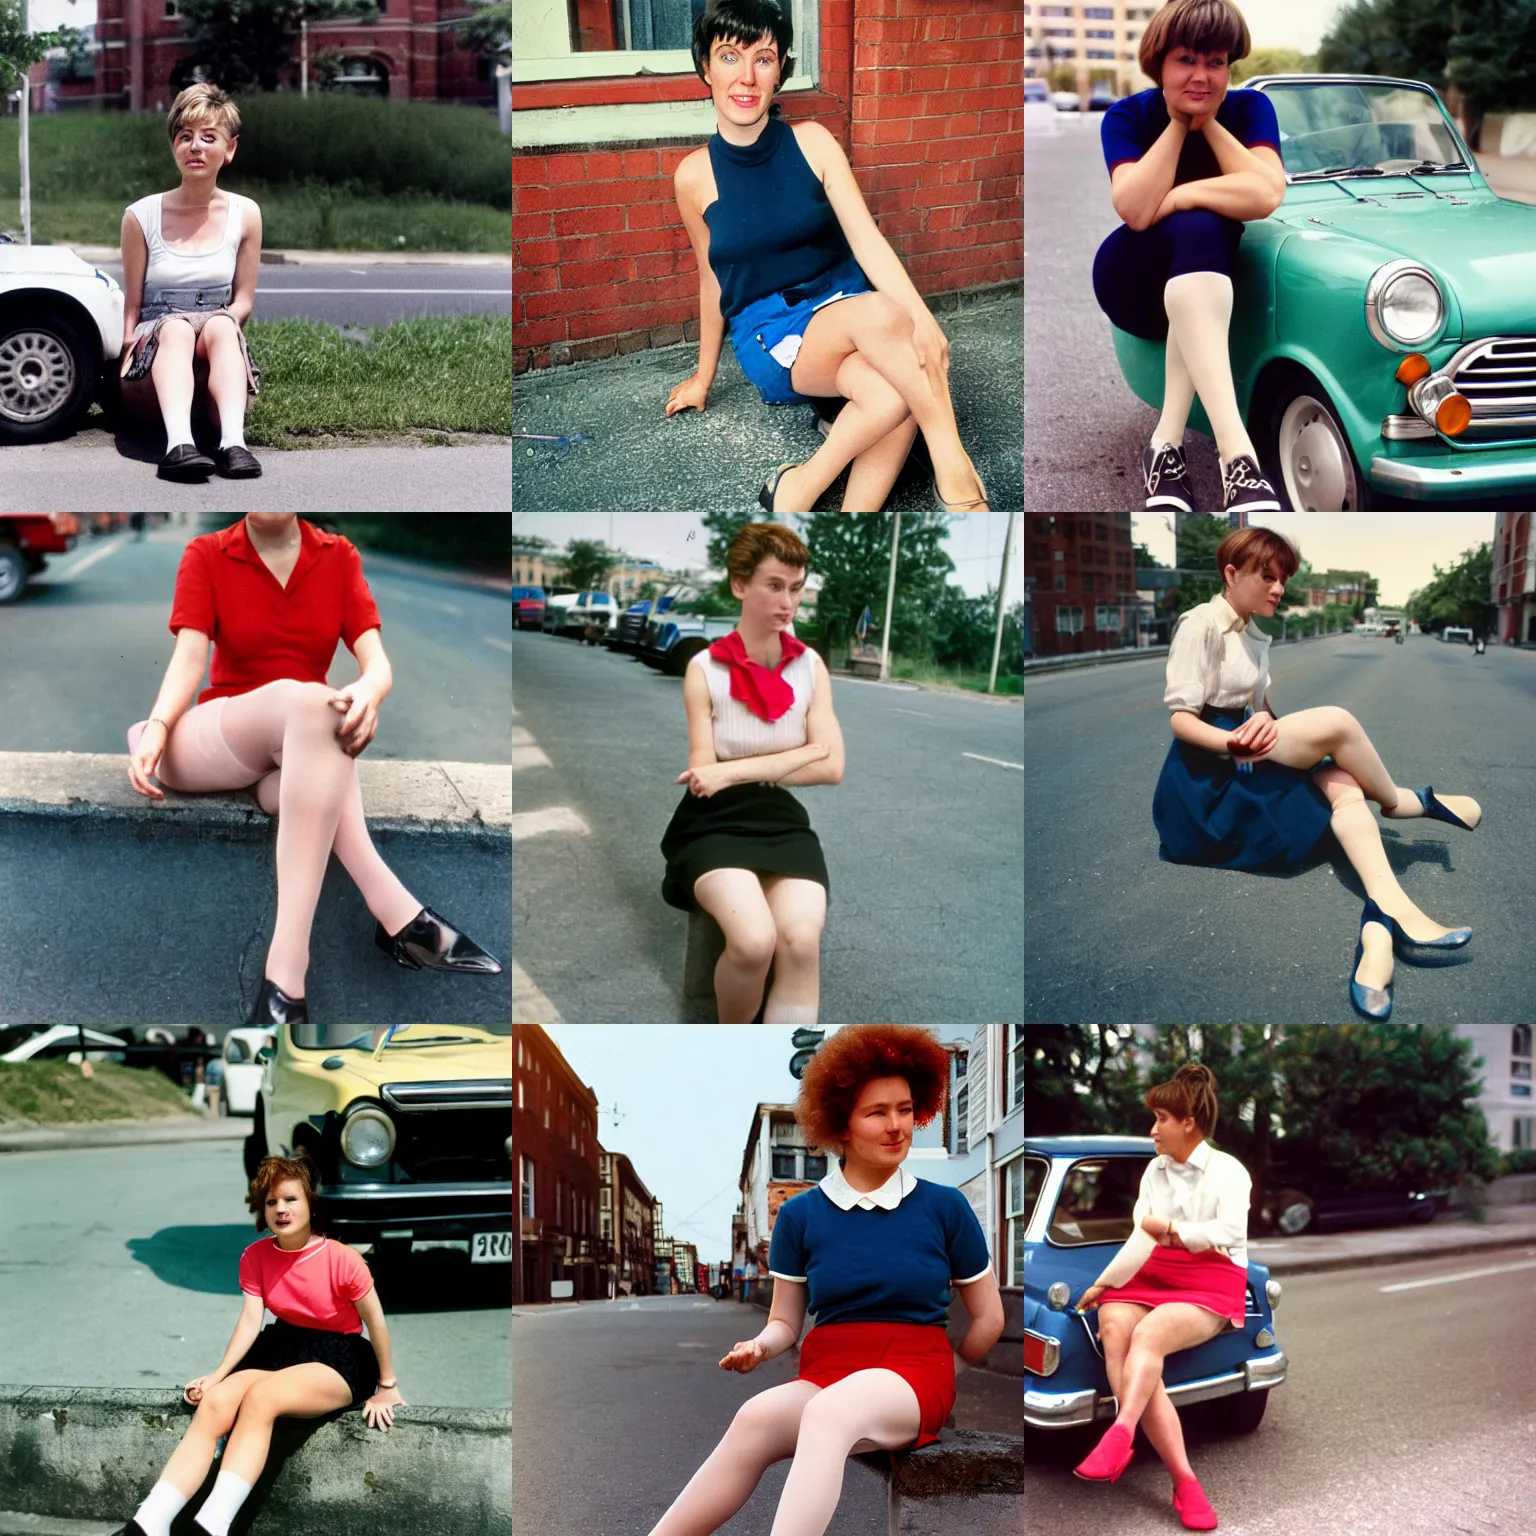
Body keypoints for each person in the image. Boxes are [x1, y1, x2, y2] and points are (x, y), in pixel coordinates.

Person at [125, 514, 501, 1027]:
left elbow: (377, 664)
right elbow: (190, 658)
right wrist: (159, 724)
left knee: (324, 718)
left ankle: (360, 948)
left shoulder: (337, 555)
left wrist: (368, 692)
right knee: (312, 702)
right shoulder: (208, 552)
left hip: (293, 754)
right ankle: (305, 961)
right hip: (215, 737)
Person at [647, 1025, 1005, 1536]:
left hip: (912, 1372)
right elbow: (785, 1322)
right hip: (827, 1372)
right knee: (754, 1418)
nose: (897, 1126)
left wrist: (953, 1367)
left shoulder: (945, 1207)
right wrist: (759, 1346)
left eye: (904, 1109)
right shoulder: (799, 1215)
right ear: (840, 1125)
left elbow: (990, 1318)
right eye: (877, 1112)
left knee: (830, 1414)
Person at [664, 0, 989, 513]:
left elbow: (866, 240)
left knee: (895, 395)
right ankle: (955, 471)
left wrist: (926, 327)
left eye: (764, 58)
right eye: (730, 57)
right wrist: (703, 378)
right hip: (775, 334)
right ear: (705, 66)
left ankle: (810, 495)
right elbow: (712, 279)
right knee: (890, 321)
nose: (746, 77)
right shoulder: (693, 176)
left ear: (781, 70)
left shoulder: (814, 143)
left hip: (850, 309)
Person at [1153, 525, 1479, 1020]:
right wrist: (1237, 740)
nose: (1279, 588)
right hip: (1208, 781)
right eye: (1268, 576)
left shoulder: (1254, 632)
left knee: (1344, 782)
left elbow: (1262, 710)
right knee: (1337, 723)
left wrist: (1266, 729)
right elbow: (1181, 722)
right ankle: (1403, 803)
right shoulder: (1200, 623)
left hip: (1248, 753)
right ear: (1230, 573)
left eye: (1283, 578)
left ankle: (1386, 912)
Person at [111, 1153, 404, 1536]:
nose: (280, 1209)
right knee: (216, 1402)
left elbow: (376, 1322)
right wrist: (218, 1376)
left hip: (339, 1357)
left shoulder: (344, 1259)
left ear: (311, 1204)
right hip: (281, 1347)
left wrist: (388, 1386)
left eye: (290, 1199)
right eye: (271, 1202)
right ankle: (149, 1524)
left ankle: (212, 1526)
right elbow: (251, 1322)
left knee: (262, 1397)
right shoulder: (256, 1256)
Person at [1093, 0, 1285, 515]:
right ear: (1160, 63)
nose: (1202, 76)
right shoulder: (1128, 115)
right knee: (1200, 227)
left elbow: (1266, 196)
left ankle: (1165, 448)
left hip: (1200, 284)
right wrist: (1178, 125)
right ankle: (1237, 458)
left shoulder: (1250, 110)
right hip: (1134, 278)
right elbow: (1134, 210)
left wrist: (1182, 187)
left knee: (1197, 226)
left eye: (1216, 62)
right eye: (1186, 61)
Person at [660, 521, 844, 1024]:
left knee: (801, 942)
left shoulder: (811, 668)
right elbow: (704, 774)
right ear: (740, 585)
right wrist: (796, 757)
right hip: (711, 822)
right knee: (754, 940)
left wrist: (738, 770)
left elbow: (832, 765)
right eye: (774, 585)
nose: (788, 603)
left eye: (797, 588)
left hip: (781, 822)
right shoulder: (704, 669)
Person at [1070, 1064, 1246, 1531]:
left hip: (1213, 1276)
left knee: (1147, 1336)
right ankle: (1160, 1464)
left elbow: (1229, 1232)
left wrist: (1171, 1229)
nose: (1152, 1130)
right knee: (1112, 1326)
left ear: (1188, 1122)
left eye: (1161, 1119)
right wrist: (1106, 1283)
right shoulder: (1154, 1171)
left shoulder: (1229, 1171)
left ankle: (1131, 1440)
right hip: (1154, 1273)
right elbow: (1139, 1240)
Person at [120, 83, 264, 483]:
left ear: (229, 149)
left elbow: (243, 302)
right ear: (174, 147)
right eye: (185, 137)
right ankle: (178, 447)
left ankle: (233, 444)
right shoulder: (140, 215)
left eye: (208, 137)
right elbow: (133, 305)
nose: (195, 146)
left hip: (215, 349)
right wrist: (126, 352)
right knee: (177, 328)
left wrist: (222, 323)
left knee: (221, 322)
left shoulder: (246, 213)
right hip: (157, 349)